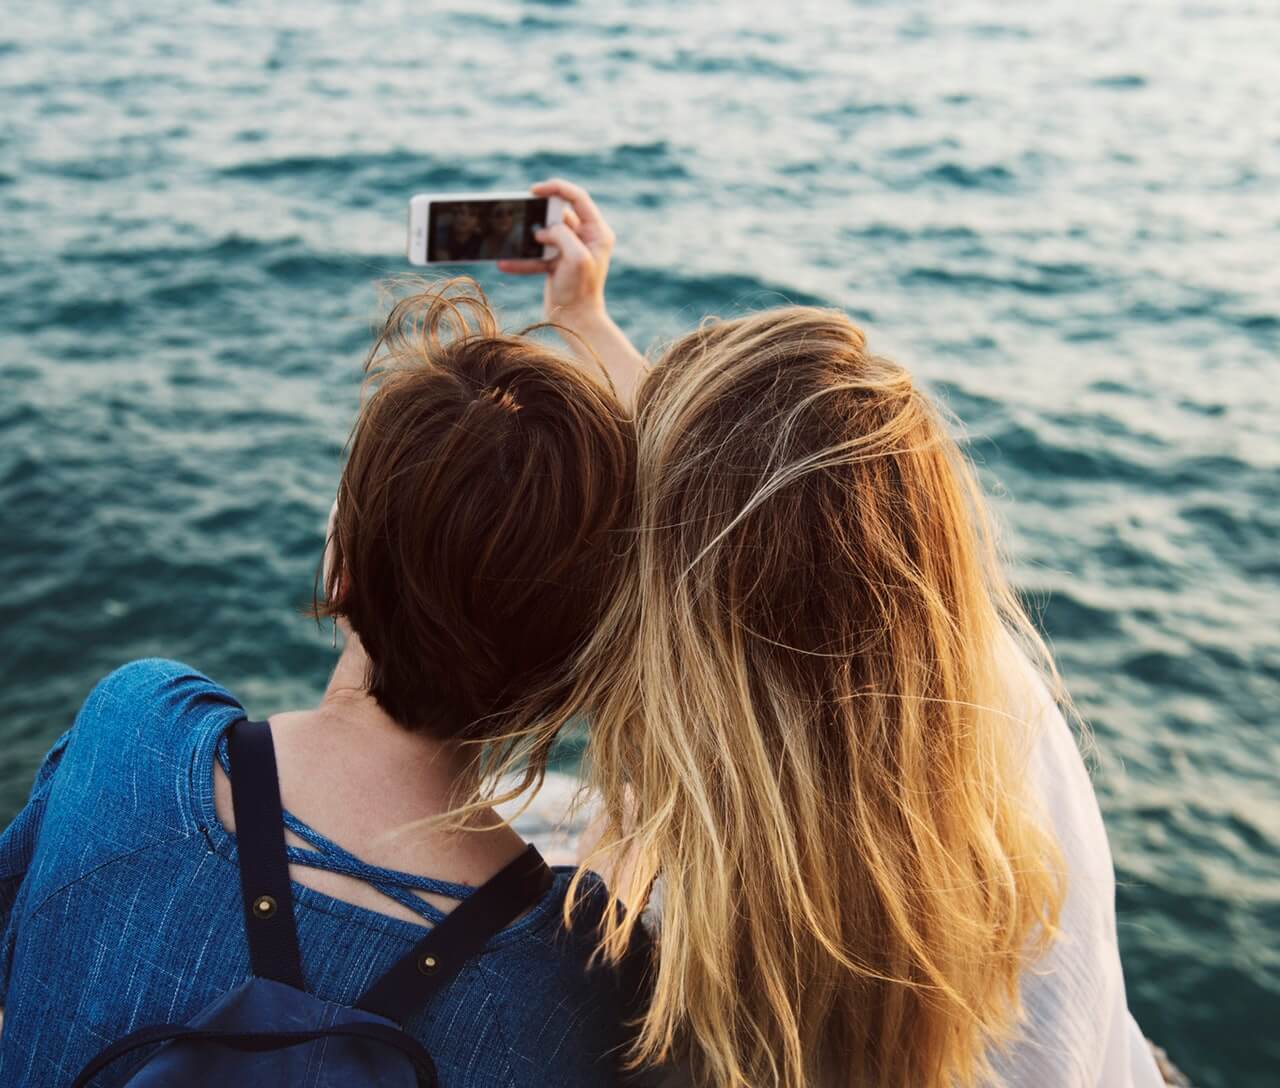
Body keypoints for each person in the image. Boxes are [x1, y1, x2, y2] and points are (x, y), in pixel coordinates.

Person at [501, 179, 1167, 1088]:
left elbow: (738, 497)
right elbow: (780, 492)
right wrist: (585, 319)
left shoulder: (723, 938)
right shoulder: (979, 680)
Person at [0, 280, 644, 1086]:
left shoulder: (138, 738)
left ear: (341, 569)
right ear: (582, 659)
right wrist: (593, 324)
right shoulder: (572, 989)